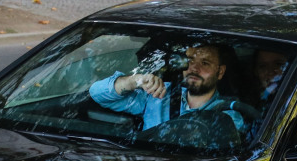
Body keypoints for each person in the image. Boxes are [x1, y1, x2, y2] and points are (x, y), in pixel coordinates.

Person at [89, 44, 249, 135]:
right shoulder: (158, 94)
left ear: (220, 72)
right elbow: (97, 94)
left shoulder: (228, 116)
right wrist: (135, 80)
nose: (194, 68)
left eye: (205, 63)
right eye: (190, 61)